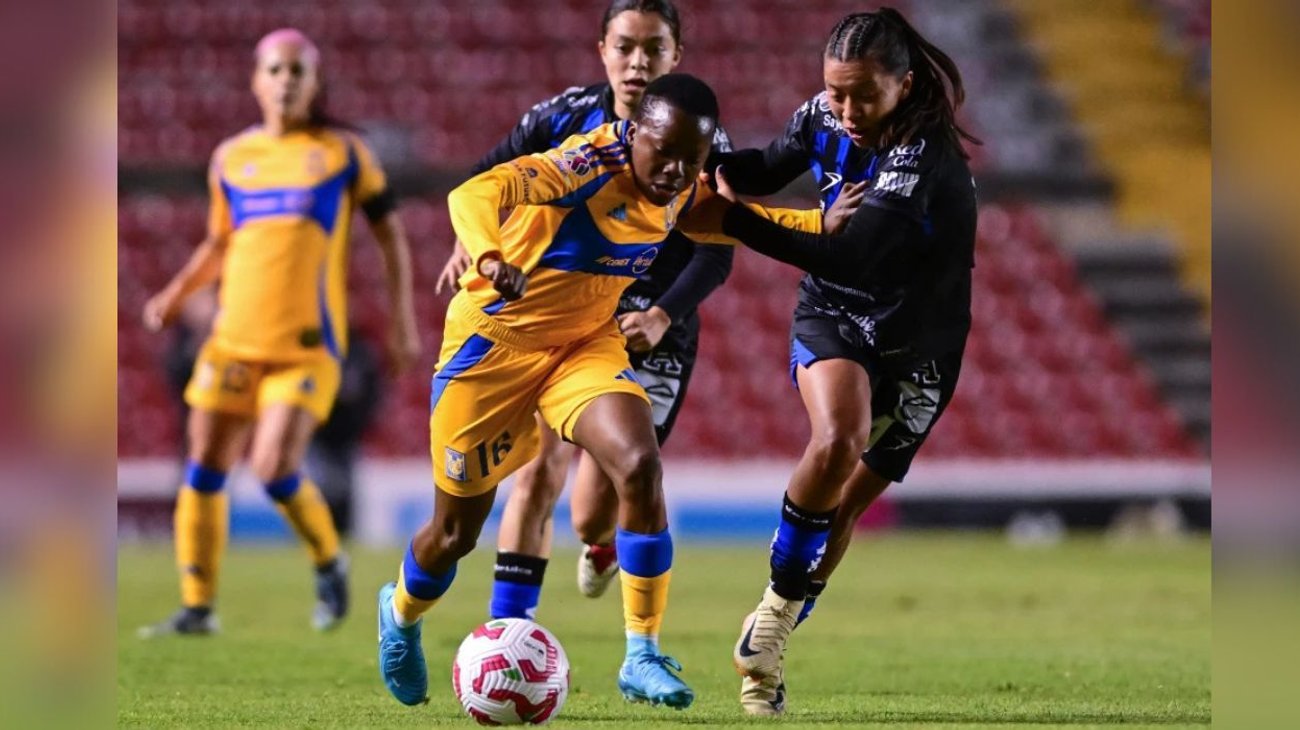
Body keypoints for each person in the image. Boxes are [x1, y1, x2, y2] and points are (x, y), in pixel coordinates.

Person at [375, 74, 823, 710]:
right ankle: (399, 612)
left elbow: (711, 219)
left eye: (690, 162)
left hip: (582, 345)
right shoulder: (584, 164)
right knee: (454, 533)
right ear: (635, 132)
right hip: (492, 349)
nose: (673, 173)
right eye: (662, 155)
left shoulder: (677, 184)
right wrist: (486, 255)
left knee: (639, 465)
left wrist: (818, 223)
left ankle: (641, 653)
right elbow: (475, 190)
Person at [709, 8, 981, 716]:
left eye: (865, 94)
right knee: (838, 436)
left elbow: (856, 250)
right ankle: (771, 622)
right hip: (835, 312)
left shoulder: (923, 153)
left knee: (845, 508)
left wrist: (731, 220)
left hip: (921, 346)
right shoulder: (822, 116)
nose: (848, 110)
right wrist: (700, 158)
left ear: (905, 83)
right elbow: (765, 168)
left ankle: (770, 644)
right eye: (836, 93)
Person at [434, 0, 736, 616]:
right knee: (537, 471)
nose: (637, 62)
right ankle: (508, 632)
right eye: (625, 47)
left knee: (594, 509)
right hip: (560, 322)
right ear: (602, 49)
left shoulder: (705, 140)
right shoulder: (564, 119)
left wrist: (664, 315)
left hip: (651, 326)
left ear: (676, 56)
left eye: (654, 49)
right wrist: (476, 248)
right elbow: (487, 176)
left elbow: (717, 253)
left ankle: (602, 543)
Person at [138, 29, 421, 636]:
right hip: (232, 341)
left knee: (271, 468)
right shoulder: (232, 158)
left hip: (305, 347)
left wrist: (402, 322)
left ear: (316, 83)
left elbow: (390, 235)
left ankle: (328, 558)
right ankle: (197, 606)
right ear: (256, 81)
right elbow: (219, 242)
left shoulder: (343, 152)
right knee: (205, 468)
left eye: (298, 70)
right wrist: (175, 294)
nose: (287, 80)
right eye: (276, 69)